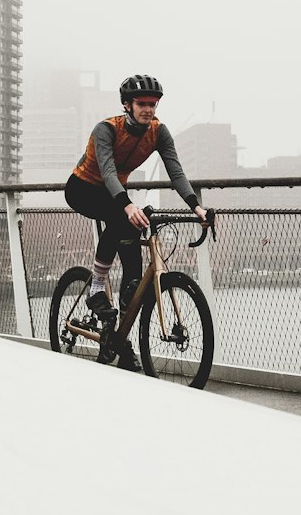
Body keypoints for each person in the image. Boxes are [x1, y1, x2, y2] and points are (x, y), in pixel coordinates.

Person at [65, 74, 209, 357]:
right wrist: (127, 205)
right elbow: (107, 171)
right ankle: (95, 288)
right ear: (127, 105)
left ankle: (117, 336)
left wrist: (196, 207)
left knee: (133, 260)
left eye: (153, 104)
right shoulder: (106, 129)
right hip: (82, 188)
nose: (149, 109)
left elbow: (175, 172)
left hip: (114, 193)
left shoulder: (159, 132)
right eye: (142, 103)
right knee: (122, 217)